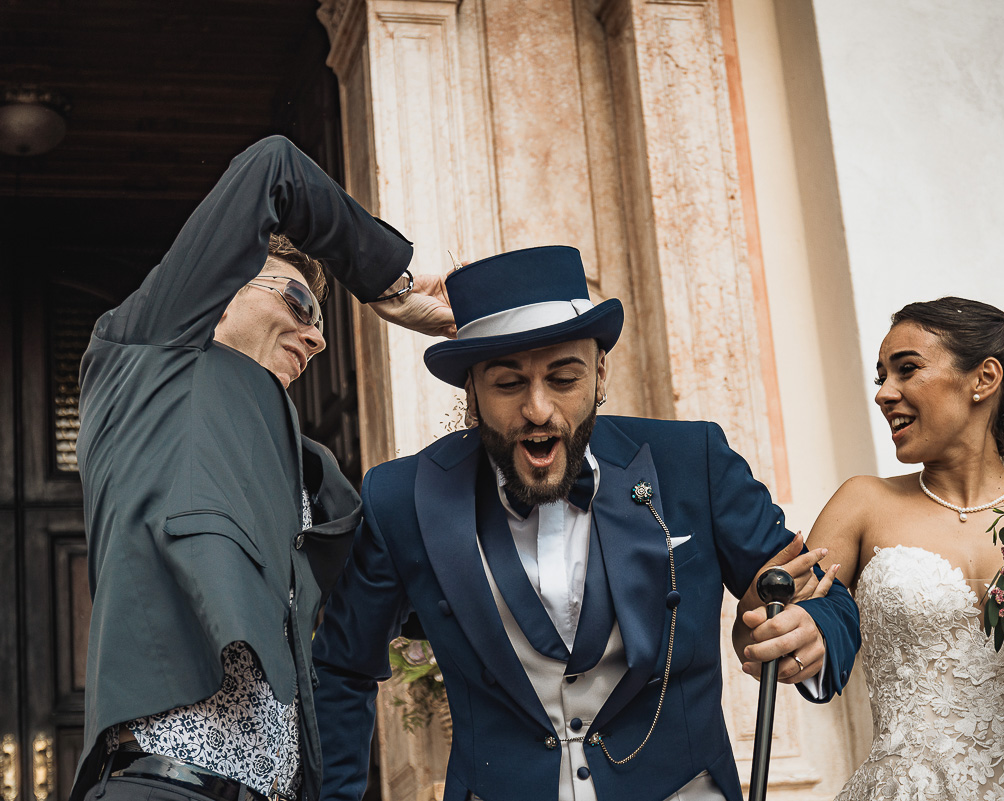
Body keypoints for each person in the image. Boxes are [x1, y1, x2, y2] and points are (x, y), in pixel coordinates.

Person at [312, 245, 861, 801]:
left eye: (563, 378)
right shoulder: (402, 498)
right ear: (471, 393)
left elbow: (821, 594)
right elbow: (341, 666)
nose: (538, 410)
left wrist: (814, 629)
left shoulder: (693, 461)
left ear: (600, 374)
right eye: (508, 384)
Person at [71, 136, 455, 801]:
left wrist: (495, 356)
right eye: (299, 305)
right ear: (222, 291)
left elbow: (399, 588)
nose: (317, 336)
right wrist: (391, 286)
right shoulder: (145, 358)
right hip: (162, 785)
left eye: (320, 325)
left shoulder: (309, 469)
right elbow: (273, 168)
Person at [772, 297, 1004, 800]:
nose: (884, 394)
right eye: (881, 377)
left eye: (907, 369)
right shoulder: (862, 503)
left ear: (984, 379)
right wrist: (778, 629)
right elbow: (777, 625)